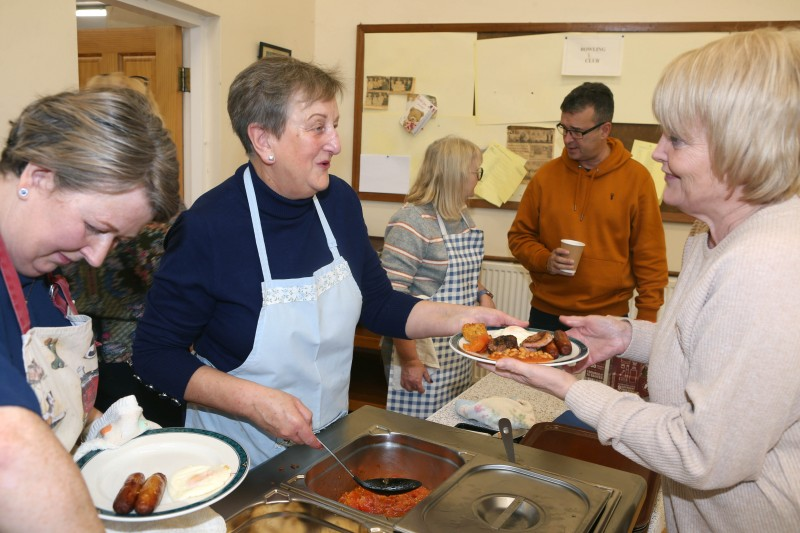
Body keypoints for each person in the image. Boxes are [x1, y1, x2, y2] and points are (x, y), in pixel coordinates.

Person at [132, 56, 524, 467]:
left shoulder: (337, 202)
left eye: (334, 125)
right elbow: (155, 354)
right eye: (318, 127)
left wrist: (468, 319)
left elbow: (378, 304)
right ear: (264, 140)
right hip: (237, 453)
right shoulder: (208, 228)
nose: (335, 142)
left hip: (331, 434)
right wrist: (252, 401)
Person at [489, 28, 800, 532]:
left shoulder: (766, 265)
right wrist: (632, 335)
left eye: (676, 139)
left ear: (742, 147)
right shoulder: (711, 232)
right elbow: (708, 343)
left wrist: (572, 390)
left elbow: (703, 455)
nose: (657, 153)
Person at [0, 88, 179, 532]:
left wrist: (111, 429)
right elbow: (11, 453)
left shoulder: (42, 275)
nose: (97, 257)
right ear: (40, 177)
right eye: (94, 227)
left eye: (115, 239)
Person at [508, 81, 668, 396]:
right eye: (563, 129)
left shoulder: (637, 180)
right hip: (546, 315)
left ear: (605, 129)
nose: (568, 139)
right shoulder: (546, 177)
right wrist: (545, 260)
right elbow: (519, 237)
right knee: (536, 405)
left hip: (607, 320)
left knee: (594, 412)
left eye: (578, 132)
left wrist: (646, 324)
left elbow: (650, 258)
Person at [60, 72, 185, 427]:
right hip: (137, 356)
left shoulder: (79, 191)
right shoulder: (156, 202)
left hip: (78, 355)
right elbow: (172, 277)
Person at [380, 135, 495, 419]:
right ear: (455, 174)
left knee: (450, 424)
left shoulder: (464, 217)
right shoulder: (411, 222)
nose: (478, 179)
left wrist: (483, 295)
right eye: (475, 171)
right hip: (422, 353)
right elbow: (391, 301)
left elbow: (467, 275)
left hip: (457, 351)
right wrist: (410, 361)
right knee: (418, 435)